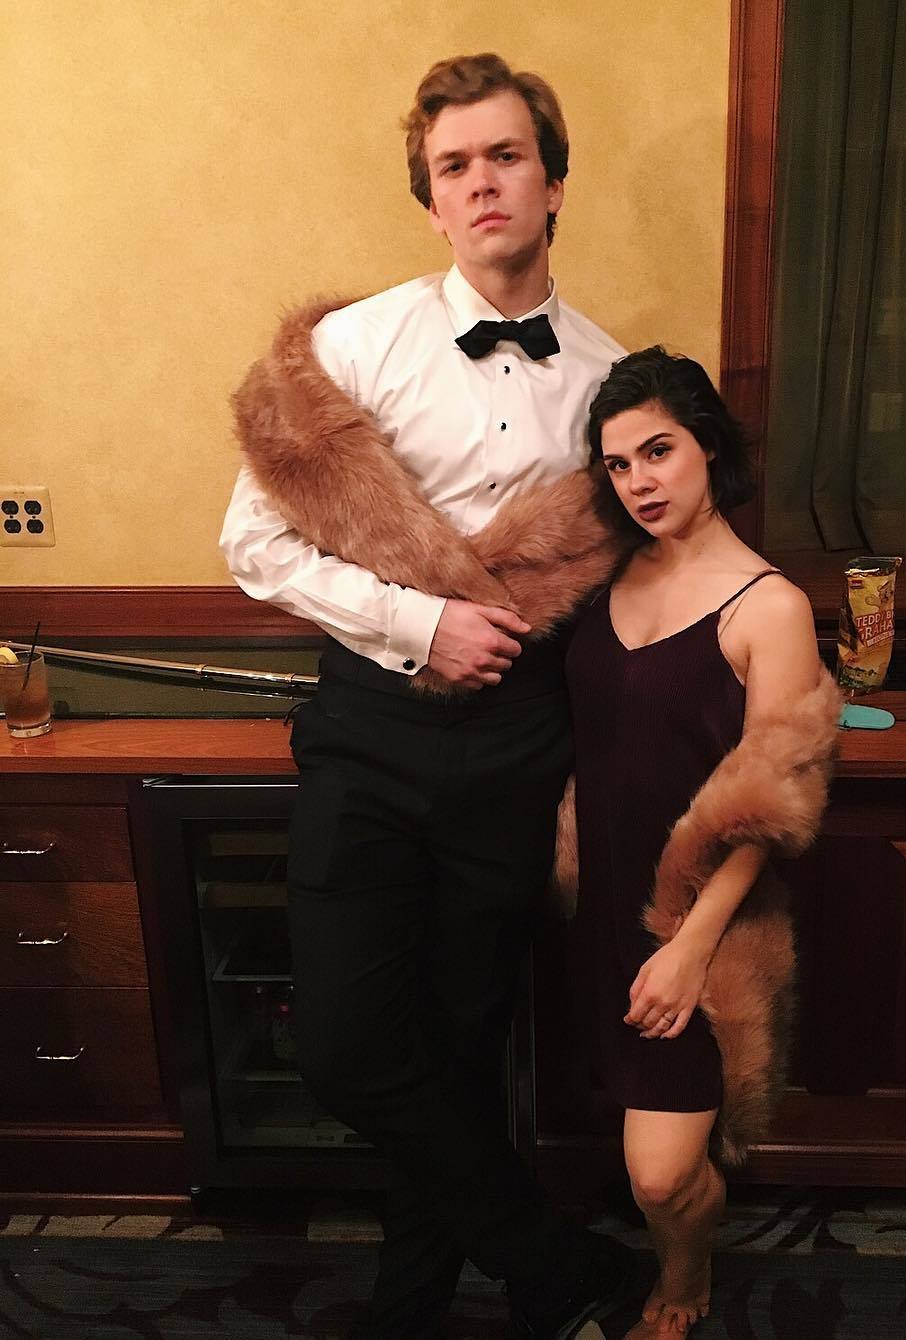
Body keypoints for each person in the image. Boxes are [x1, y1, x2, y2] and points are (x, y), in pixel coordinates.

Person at [220, 53, 634, 1340]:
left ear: (552, 182)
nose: (482, 181)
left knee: (460, 1047)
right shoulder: (352, 347)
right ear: (432, 199)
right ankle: (552, 1256)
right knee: (348, 1046)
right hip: (372, 730)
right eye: (455, 165)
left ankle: (413, 1309)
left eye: (506, 155)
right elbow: (253, 546)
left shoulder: (615, 382)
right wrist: (420, 624)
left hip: (520, 742)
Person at [565, 347, 840, 1337]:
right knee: (612, 1125)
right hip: (591, 899)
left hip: (695, 920)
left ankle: (686, 1278)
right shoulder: (602, 574)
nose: (639, 480)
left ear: (709, 447)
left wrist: (689, 945)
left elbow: (775, 805)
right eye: (618, 463)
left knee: (661, 1171)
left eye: (659, 451)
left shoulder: (770, 606)